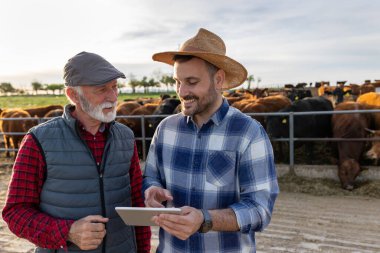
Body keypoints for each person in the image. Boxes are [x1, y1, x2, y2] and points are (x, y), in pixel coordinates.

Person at [143, 28, 279, 252]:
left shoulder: (248, 133)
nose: (182, 91)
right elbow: (151, 177)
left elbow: (260, 210)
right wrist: (152, 189)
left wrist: (205, 219)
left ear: (218, 80)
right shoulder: (165, 129)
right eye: (177, 82)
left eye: (192, 82)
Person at [2, 51, 151, 253]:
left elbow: (137, 205)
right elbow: (15, 212)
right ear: (73, 95)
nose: (113, 96)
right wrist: (67, 232)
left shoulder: (125, 136)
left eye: (115, 87)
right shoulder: (38, 141)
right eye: (102, 89)